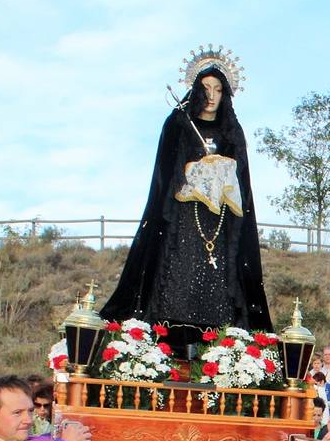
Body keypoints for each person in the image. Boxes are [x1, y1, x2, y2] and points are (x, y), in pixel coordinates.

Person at [101, 48, 271, 347]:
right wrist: (192, 169)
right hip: (182, 220)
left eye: (218, 89)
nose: (212, 96)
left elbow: (240, 178)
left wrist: (222, 168)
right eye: (205, 88)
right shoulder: (179, 123)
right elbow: (166, 173)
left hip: (219, 222)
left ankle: (218, 340)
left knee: (217, 283)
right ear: (195, 90)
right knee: (177, 278)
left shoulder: (232, 130)